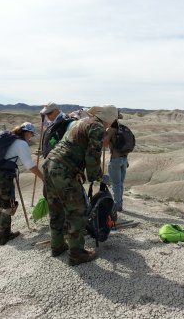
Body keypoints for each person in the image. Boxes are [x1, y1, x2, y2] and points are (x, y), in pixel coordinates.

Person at [43, 105, 118, 266]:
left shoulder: (81, 122)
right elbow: (92, 156)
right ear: (110, 120)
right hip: (64, 171)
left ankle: (57, 246)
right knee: (77, 212)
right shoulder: (97, 127)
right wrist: (97, 178)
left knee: (56, 209)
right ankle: (76, 254)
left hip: (49, 166)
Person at [0, 122, 43, 245]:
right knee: (7, 204)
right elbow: (30, 165)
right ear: (27, 132)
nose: (31, 137)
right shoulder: (21, 143)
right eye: (31, 134)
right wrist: (43, 177)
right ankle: (4, 235)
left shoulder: (8, 139)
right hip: (2, 175)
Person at [104, 113, 129, 212]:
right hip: (124, 159)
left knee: (116, 184)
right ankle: (120, 202)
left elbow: (104, 144)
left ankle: (117, 205)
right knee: (120, 184)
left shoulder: (111, 130)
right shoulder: (123, 129)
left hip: (115, 160)